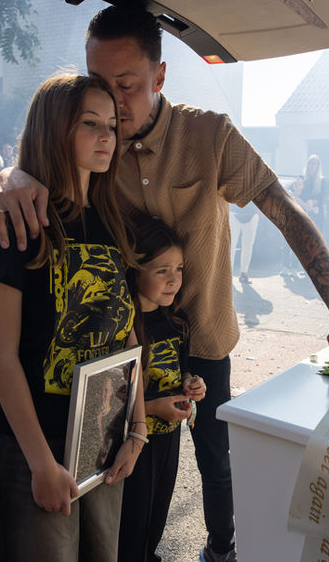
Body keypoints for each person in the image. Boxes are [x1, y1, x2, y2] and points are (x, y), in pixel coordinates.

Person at [0, 5, 329, 562]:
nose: (111, 105)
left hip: (202, 342)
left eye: (126, 87)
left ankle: (221, 548)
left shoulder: (207, 135)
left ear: (160, 78)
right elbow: (46, 159)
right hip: (121, 358)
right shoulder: (96, 158)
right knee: (124, 483)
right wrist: (7, 179)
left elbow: (281, 207)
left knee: (217, 462)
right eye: (98, 88)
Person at [0, 73, 147, 562]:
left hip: (104, 435)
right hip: (35, 444)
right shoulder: (19, 220)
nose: (107, 136)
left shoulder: (114, 217)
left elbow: (126, 333)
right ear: (53, 130)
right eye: (90, 123)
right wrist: (41, 463)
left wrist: (136, 428)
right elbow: (2, 358)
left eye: (112, 124)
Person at [118, 216, 206, 562]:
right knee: (132, 522)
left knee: (156, 515)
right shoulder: (124, 326)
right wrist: (153, 409)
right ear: (135, 270)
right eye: (161, 271)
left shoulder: (178, 323)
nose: (174, 281)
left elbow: (182, 370)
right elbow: (112, 396)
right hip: (134, 442)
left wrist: (192, 384)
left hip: (169, 440)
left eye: (179, 269)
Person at [229, 203, 260, 284]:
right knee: (231, 246)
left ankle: (244, 274)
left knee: (248, 246)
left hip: (251, 215)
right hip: (234, 213)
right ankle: (228, 274)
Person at [301, 154, 324, 230]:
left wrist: (312, 203)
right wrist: (306, 204)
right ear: (308, 165)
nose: (312, 165)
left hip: (317, 213)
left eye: (315, 163)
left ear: (318, 165)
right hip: (304, 210)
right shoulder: (302, 179)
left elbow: (322, 197)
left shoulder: (322, 180)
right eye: (311, 163)